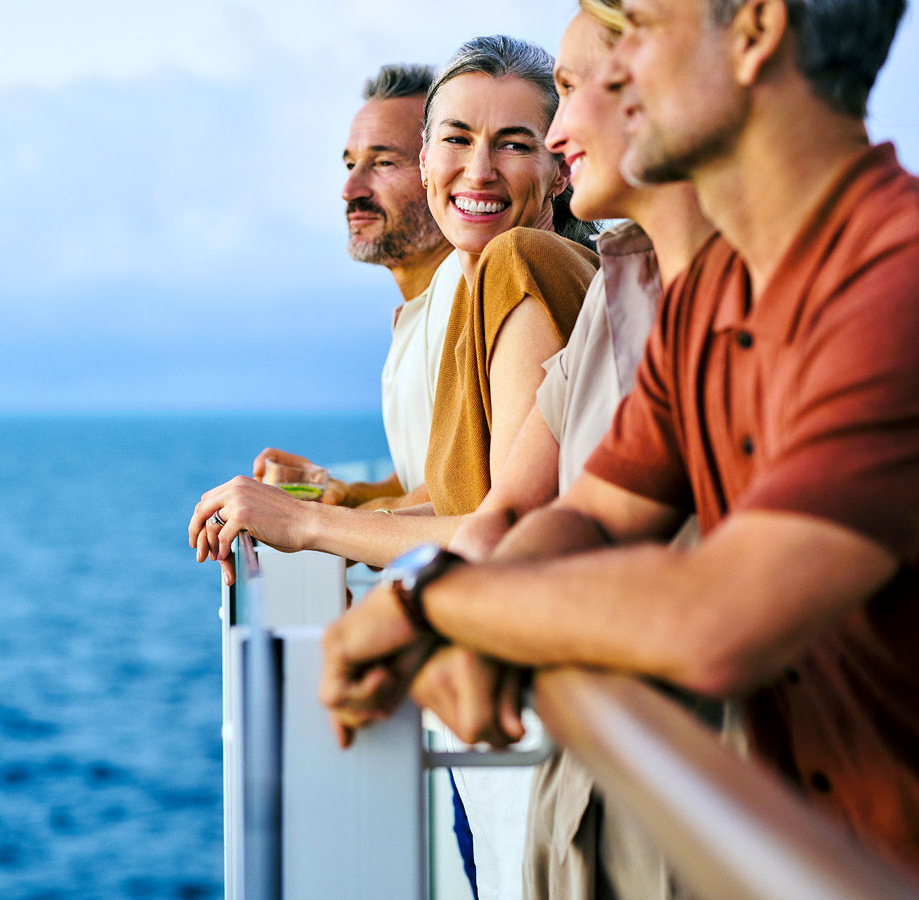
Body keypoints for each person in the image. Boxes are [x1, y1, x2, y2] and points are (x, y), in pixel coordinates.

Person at [320, 0, 919, 878]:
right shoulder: (708, 295)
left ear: (753, 33)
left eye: (634, 28)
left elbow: (723, 614)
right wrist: (466, 602)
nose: (603, 86)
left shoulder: (890, 288)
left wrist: (432, 608)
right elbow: (592, 514)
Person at [417, 6, 714, 898]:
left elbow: (518, 514)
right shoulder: (615, 285)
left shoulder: (529, 268)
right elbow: (541, 510)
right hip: (581, 779)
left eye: (572, 96)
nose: (554, 132)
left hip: (678, 790)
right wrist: (428, 616)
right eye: (457, 137)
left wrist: (313, 529)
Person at [189, 37, 597, 581]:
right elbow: (468, 506)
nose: (479, 171)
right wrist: (326, 502)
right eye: (458, 138)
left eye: (515, 145)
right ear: (430, 159)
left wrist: (306, 522)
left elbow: (508, 532)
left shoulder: (518, 260)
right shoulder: (480, 295)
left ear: (561, 168)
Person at [257, 64, 461, 513]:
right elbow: (424, 477)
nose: (350, 189)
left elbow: (458, 496)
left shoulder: (462, 290)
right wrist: (343, 494)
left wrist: (308, 522)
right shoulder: (421, 311)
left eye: (384, 162)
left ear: (442, 171)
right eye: (351, 164)